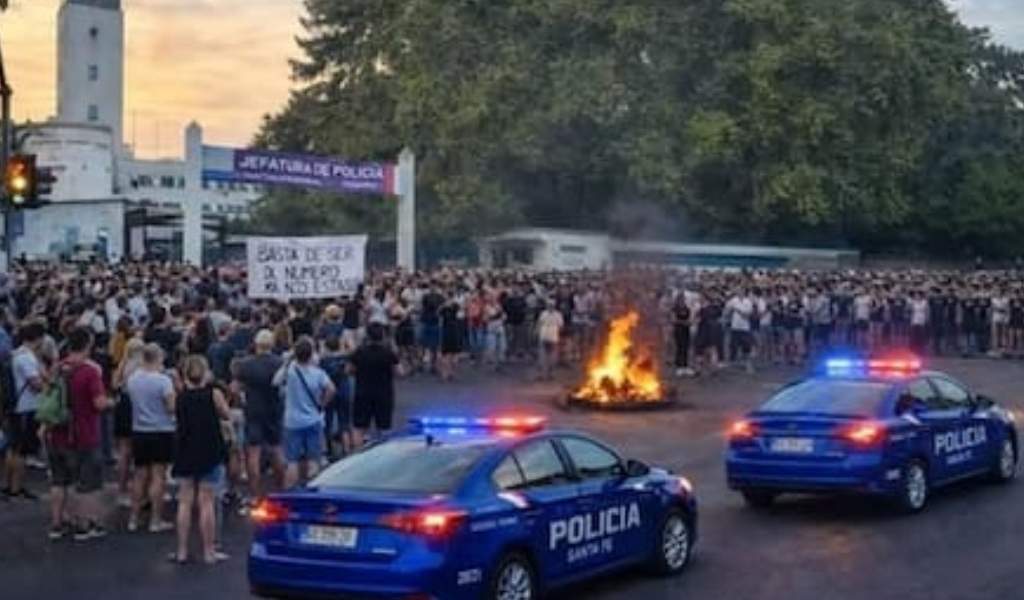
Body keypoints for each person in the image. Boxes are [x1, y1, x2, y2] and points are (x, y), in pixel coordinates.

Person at [45, 327, 113, 541]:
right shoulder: (90, 371)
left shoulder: (57, 368)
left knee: (59, 482)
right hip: (84, 432)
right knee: (86, 483)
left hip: (57, 431)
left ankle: (57, 524)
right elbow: (99, 403)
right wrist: (113, 401)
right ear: (87, 345)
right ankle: (85, 525)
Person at [171, 355, 230, 564]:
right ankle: (208, 551)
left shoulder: (180, 397)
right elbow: (226, 415)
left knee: (184, 501)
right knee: (206, 502)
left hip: (186, 449)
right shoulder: (213, 395)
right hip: (209, 448)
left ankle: (182, 551)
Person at [125, 343, 176, 533]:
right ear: (158, 358)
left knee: (139, 475)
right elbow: (171, 407)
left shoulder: (133, 379)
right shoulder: (163, 381)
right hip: (161, 430)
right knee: (158, 476)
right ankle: (155, 520)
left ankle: (133, 518)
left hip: (139, 429)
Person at [231, 329, 285, 508]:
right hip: (274, 409)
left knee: (253, 453)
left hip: (253, 409)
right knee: (276, 449)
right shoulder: (280, 363)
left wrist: (242, 400)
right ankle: (281, 488)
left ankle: (255, 494)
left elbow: (234, 389)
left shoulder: (245, 365)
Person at [276, 337, 334, 488]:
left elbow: (275, 381)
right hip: (313, 419)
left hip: (292, 421)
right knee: (314, 459)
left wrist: (287, 361)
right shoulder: (318, 373)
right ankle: (313, 489)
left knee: (292, 461)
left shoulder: (290, 372)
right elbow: (331, 389)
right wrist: (322, 404)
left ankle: (289, 491)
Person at [4, 321, 48, 500]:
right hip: (26, 407)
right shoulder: (27, 358)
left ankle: (9, 485)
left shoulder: (16, 354)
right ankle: (17, 487)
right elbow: (36, 384)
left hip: (16, 405)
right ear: (38, 338)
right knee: (22, 450)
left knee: (13, 448)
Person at [348, 323, 399, 448]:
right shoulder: (388, 353)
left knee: (359, 427)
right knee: (384, 427)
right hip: (384, 393)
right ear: (382, 336)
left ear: (367, 336)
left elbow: (349, 370)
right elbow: (399, 371)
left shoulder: (359, 352)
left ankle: (357, 454)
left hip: (362, 392)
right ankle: (383, 455)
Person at [112, 337, 144, 506]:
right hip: (137, 406)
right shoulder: (141, 368)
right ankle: (141, 491)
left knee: (124, 451)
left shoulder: (122, 365)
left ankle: (121, 490)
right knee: (141, 453)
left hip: (123, 406)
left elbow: (115, 384)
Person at [536, 300, 564, 381]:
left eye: (551, 305)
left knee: (552, 357)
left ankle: (551, 374)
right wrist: (538, 333)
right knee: (542, 357)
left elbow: (561, 326)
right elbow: (539, 324)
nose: (550, 306)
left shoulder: (558, 315)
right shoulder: (543, 314)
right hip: (543, 336)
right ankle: (542, 374)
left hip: (553, 337)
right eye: (549, 305)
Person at [671, 294, 693, 377]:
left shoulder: (687, 308)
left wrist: (689, 322)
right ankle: (679, 366)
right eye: (682, 299)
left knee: (686, 347)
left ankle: (685, 366)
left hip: (686, 330)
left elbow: (689, 317)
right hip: (679, 330)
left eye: (684, 299)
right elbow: (673, 320)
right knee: (680, 347)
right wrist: (684, 323)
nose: (683, 300)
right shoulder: (675, 309)